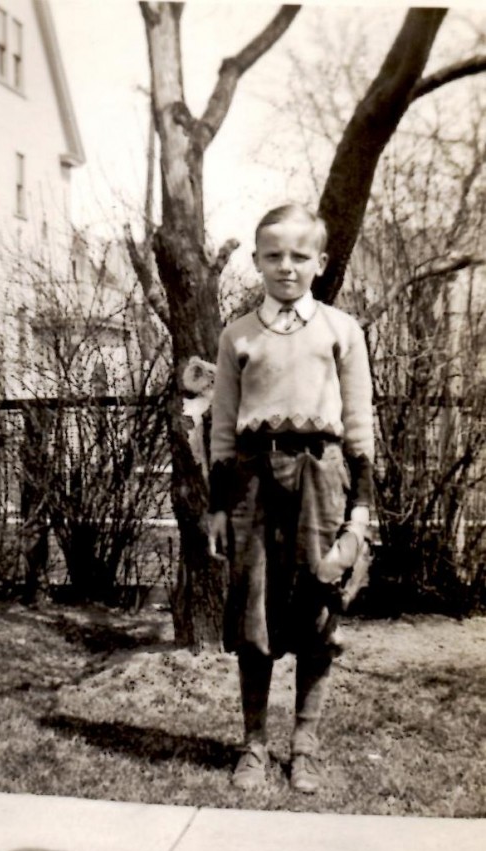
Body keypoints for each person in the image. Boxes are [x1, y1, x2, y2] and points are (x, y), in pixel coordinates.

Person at [208, 202, 374, 793]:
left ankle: (305, 744)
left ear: (320, 263)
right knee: (253, 605)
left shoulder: (340, 331)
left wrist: (361, 508)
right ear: (255, 260)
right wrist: (219, 504)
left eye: (299, 256)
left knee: (319, 604)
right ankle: (254, 745)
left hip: (322, 475)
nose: (285, 267)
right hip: (253, 478)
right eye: (273, 255)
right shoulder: (238, 335)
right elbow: (222, 428)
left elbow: (358, 425)